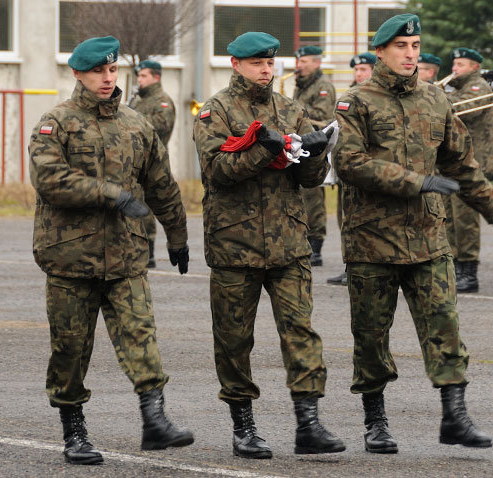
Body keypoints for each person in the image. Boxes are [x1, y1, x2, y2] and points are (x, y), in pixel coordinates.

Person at [334, 13, 493, 454]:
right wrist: (417, 181)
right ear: (380, 51)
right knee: (371, 335)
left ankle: (454, 417)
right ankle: (375, 423)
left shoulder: (436, 99)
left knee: (445, 327)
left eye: (415, 47)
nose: (410, 55)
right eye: (401, 47)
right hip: (372, 240)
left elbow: (462, 165)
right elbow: (351, 163)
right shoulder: (354, 101)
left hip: (428, 238)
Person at [29, 36, 193, 465]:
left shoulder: (136, 124)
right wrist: (111, 194)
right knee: (70, 348)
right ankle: (74, 431)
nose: (107, 78)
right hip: (70, 258)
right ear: (78, 74)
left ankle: (155, 420)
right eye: (98, 71)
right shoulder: (56, 123)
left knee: (142, 336)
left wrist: (178, 235)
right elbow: (50, 180)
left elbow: (161, 183)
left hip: (126, 256)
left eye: (112, 70)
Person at [193, 31, 345, 459]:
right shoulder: (215, 111)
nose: (266, 70)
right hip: (234, 245)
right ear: (236, 64)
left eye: (271, 62)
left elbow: (308, 181)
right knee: (234, 339)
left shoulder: (290, 108)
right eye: (257, 63)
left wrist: (316, 153)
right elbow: (218, 170)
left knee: (301, 333)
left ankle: (308, 424)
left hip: (289, 242)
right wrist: (265, 150)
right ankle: (244, 427)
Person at [444, 47, 493, 292]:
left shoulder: (478, 87)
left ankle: (469, 270)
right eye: (454, 64)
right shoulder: (456, 89)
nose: (455, 69)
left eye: (461, 65)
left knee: (466, 219)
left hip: (472, 163)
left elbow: (463, 109)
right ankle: (455, 264)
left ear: (475, 67)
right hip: (455, 162)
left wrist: (434, 97)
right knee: (451, 219)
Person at [327, 53, 378, 287]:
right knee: (345, 219)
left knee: (364, 221)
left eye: (364, 69)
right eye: (356, 70)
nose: (359, 74)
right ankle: (351, 266)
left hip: (366, 169)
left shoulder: (377, 97)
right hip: (345, 168)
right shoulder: (348, 97)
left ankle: (366, 268)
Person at [128, 59, 177, 268]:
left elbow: (160, 127)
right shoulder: (137, 101)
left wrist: (133, 122)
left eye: (144, 76)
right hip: (133, 161)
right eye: (139, 76)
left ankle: (148, 251)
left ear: (156, 77)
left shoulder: (163, 101)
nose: (140, 80)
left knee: (147, 206)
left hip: (153, 163)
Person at [293, 45, 336, 267]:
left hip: (316, 144)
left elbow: (321, 115)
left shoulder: (323, 86)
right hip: (300, 144)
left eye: (305, 61)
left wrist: (292, 109)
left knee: (313, 197)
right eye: (299, 61)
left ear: (317, 63)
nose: (299, 65)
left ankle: (316, 246)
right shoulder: (301, 86)